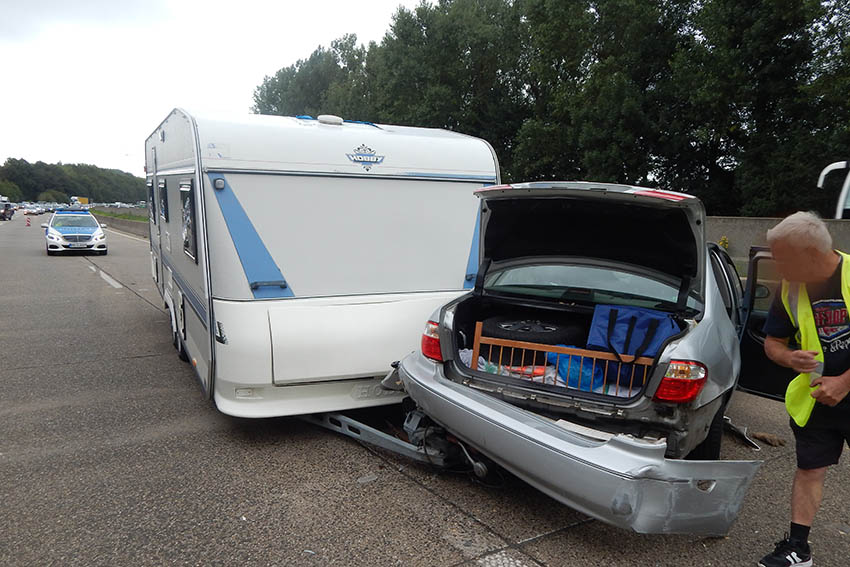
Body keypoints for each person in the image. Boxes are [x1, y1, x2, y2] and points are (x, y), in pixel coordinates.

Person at [758, 211, 850, 567]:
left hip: (842, 387)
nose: (777, 267)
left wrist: (844, 382)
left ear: (811, 254)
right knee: (810, 469)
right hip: (817, 400)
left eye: (782, 258)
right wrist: (788, 357)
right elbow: (772, 343)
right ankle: (798, 549)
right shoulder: (790, 287)